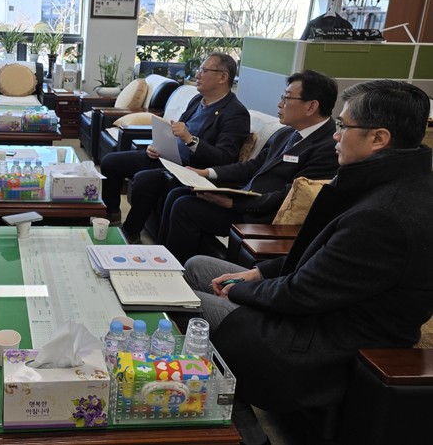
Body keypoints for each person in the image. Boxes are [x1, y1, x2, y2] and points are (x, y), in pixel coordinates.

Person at [183, 80, 433, 445]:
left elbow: (301, 294)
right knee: (198, 266)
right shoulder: (390, 181)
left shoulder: (385, 215)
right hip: (321, 310)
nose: (335, 136)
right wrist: (260, 271)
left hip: (325, 340)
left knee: (187, 306)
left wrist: (240, 291)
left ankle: (244, 432)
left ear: (379, 138)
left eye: (343, 126)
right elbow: (321, 257)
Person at [158, 69, 340, 263]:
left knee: (185, 207)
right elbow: (252, 167)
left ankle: (176, 270)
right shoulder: (287, 133)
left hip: (262, 217)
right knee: (177, 193)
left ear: (311, 106)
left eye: (286, 98)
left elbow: (288, 197)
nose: (279, 104)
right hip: (245, 199)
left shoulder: (328, 148)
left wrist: (234, 203)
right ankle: (160, 260)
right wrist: (206, 173)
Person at [100, 52, 250, 243]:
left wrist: (191, 141)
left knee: (144, 179)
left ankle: (130, 233)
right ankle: (112, 215)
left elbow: (224, 158)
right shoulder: (197, 100)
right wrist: (157, 145)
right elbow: (176, 130)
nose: (197, 75)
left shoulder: (235, 113)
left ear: (223, 77)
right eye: (199, 70)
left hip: (190, 170)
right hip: (168, 157)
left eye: (204, 70)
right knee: (111, 162)